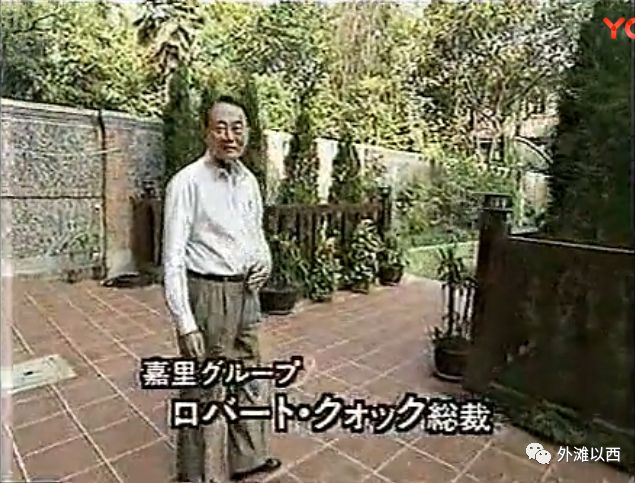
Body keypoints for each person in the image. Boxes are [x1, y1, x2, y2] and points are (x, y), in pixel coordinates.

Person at [163, 95, 281, 483]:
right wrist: (185, 322)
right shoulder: (187, 183)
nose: (230, 136)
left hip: (246, 294)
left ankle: (248, 459)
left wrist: (264, 260)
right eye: (221, 127)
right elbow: (172, 258)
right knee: (202, 386)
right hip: (207, 294)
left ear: (247, 131)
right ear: (207, 132)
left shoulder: (248, 181)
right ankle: (193, 474)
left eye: (238, 127)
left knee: (250, 377)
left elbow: (254, 232)